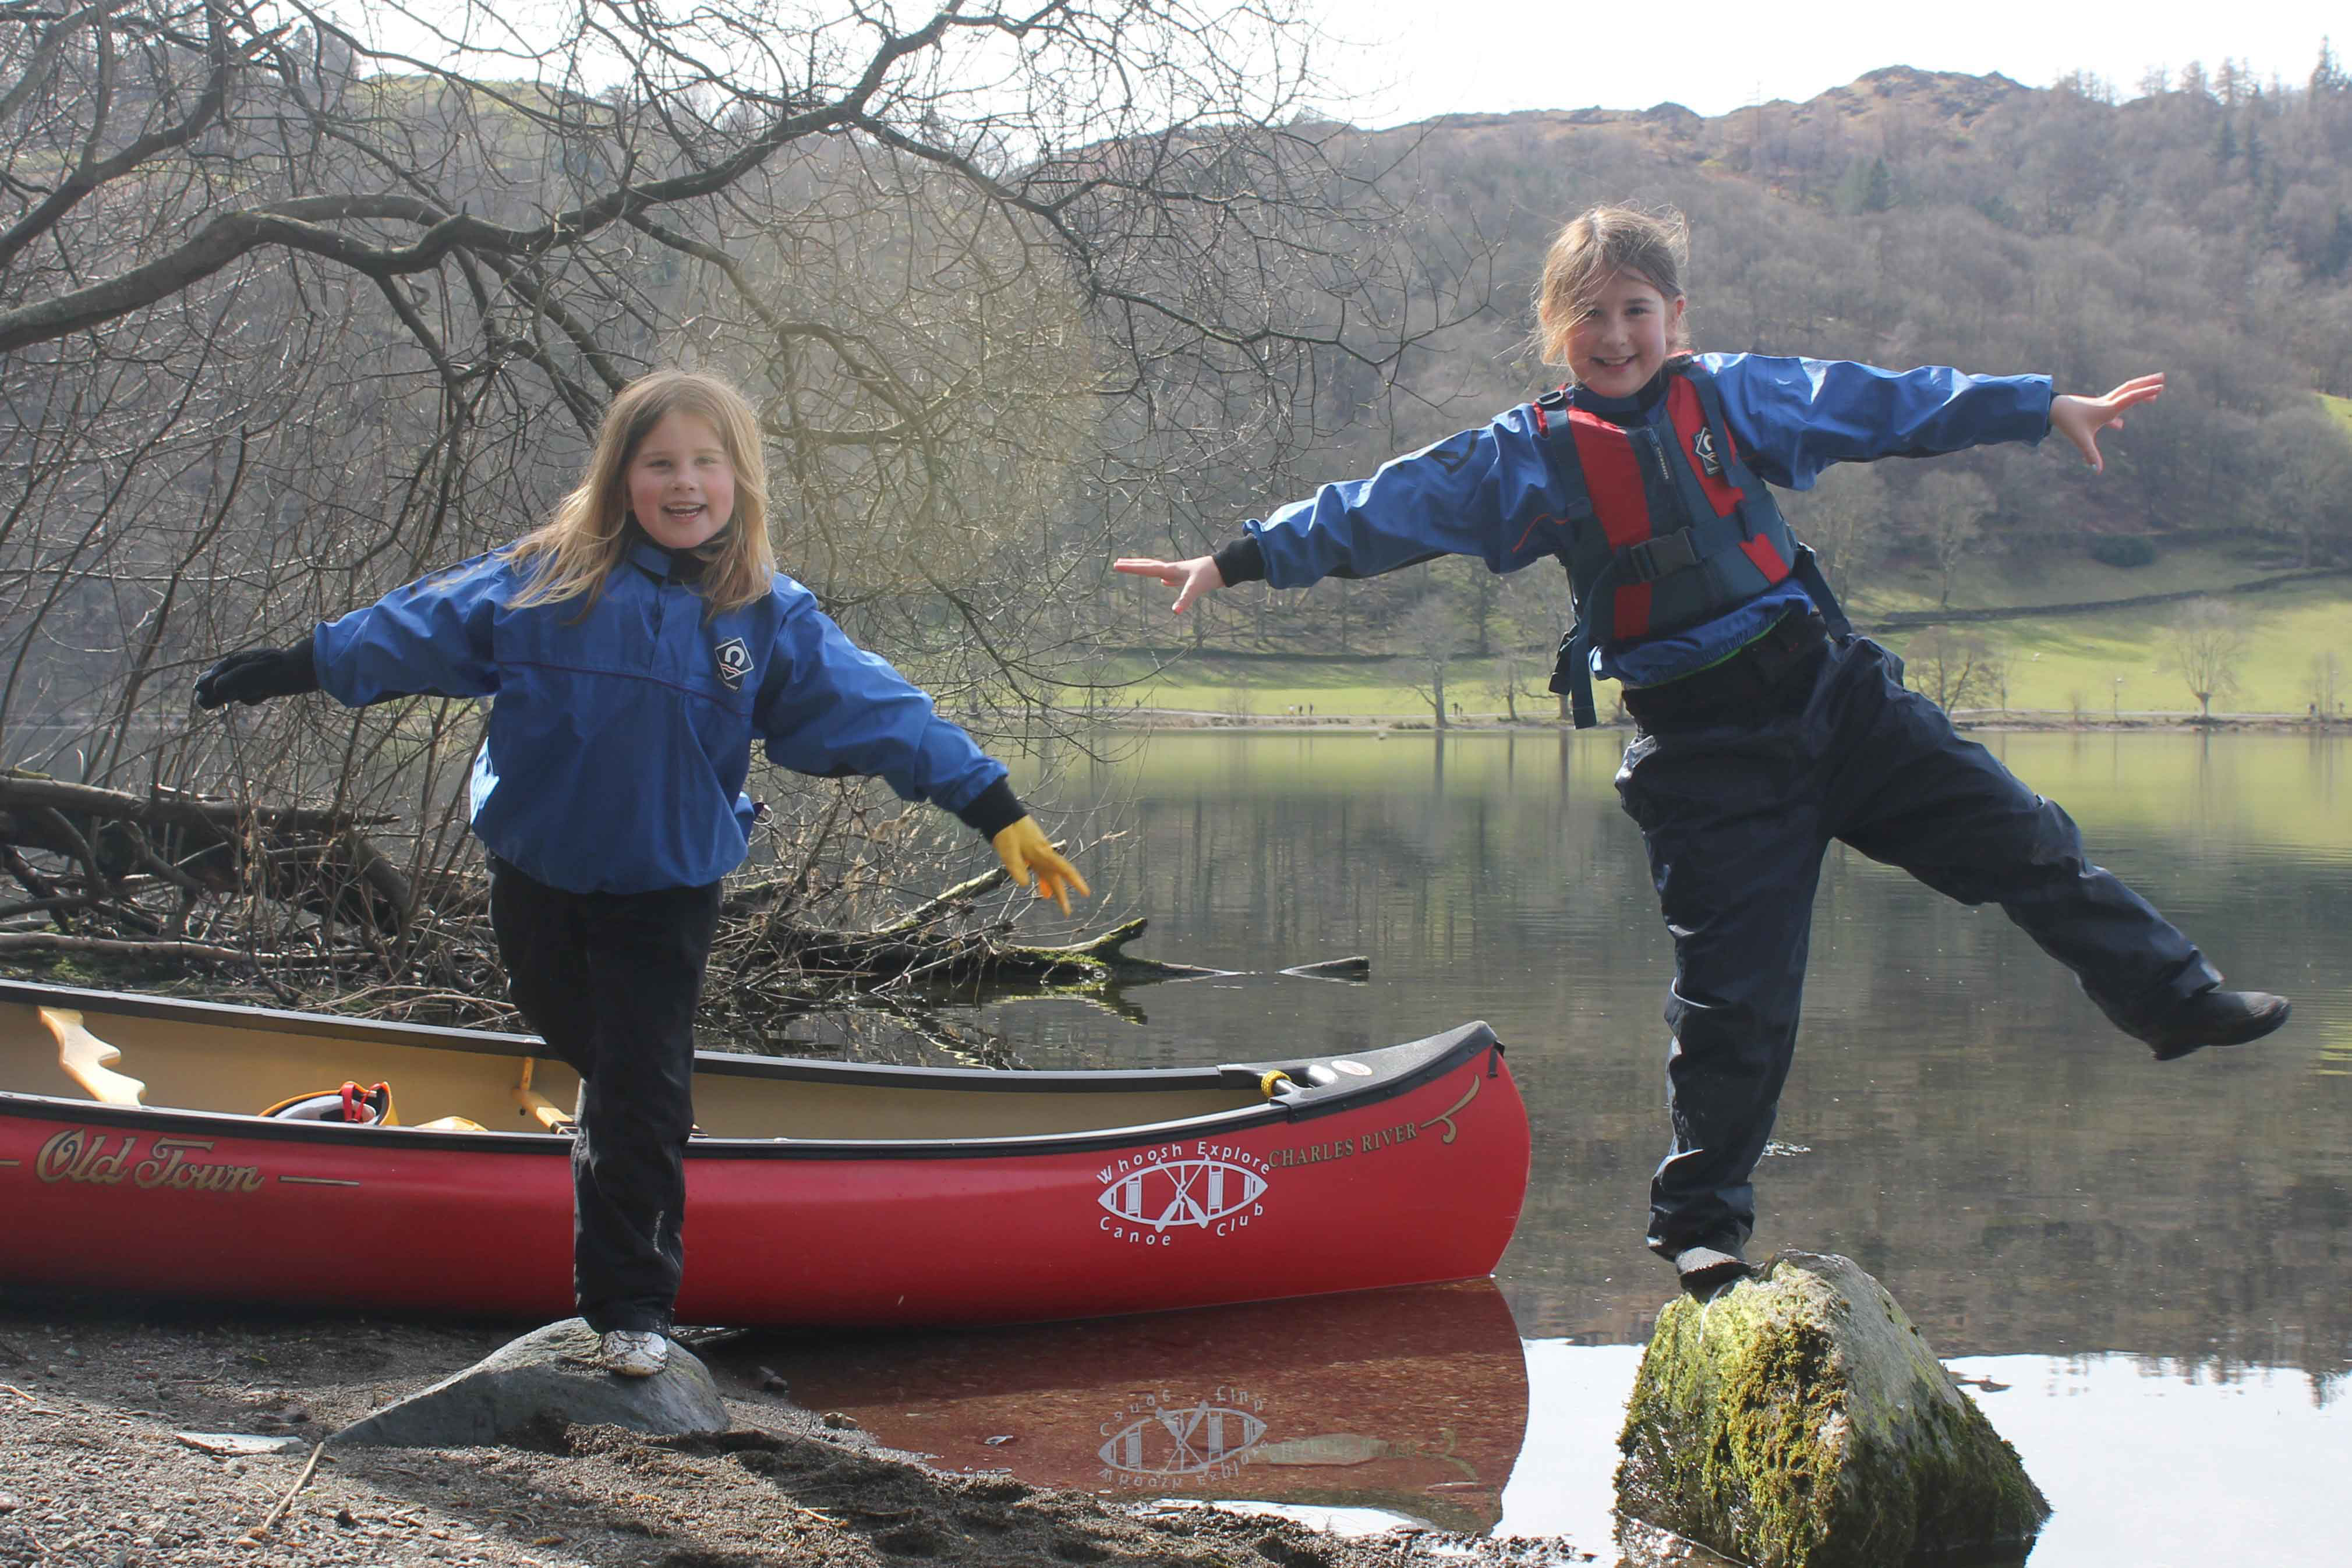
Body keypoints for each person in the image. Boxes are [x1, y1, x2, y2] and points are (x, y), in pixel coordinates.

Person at [1113, 204, 2289, 1297]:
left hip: (1836, 702)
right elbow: (1378, 510)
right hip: (1704, 756)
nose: (1617, 334)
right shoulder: (1521, 455)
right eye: (1593, 314)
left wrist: (2038, 407)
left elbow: (1884, 404)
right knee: (1736, 999)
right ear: (1555, 332)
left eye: (1638, 309)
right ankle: (1701, 1221)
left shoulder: (1734, 396)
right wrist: (1237, 557)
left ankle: (2175, 1000)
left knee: (2031, 846)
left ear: (1675, 320)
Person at [198, 369, 1087, 1371]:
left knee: (633, 1083)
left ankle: (630, 1312)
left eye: (706, 463)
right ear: (622, 476)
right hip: (540, 866)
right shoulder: (546, 581)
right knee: (577, 1033)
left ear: (739, 481)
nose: (684, 484)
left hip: (667, 883)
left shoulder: (763, 615)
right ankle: (647, 1120)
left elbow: (883, 711)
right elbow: (418, 625)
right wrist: (298, 664)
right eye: (660, 463)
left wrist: (990, 805)